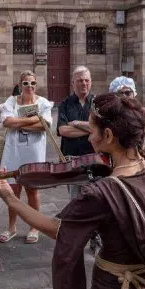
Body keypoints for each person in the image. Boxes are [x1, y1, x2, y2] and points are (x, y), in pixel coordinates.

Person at [0, 93, 145, 289]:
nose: (89, 138)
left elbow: (59, 229)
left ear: (108, 135)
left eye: (92, 130)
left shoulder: (103, 192)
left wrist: (9, 198)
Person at [0, 70, 54, 244]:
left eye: (32, 83)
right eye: (26, 83)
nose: (29, 86)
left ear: (36, 85)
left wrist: (19, 122)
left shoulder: (43, 102)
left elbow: (45, 126)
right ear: (20, 85)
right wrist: (32, 120)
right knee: (13, 190)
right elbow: (7, 122)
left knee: (32, 190)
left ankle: (34, 227)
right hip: (14, 151)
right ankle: (11, 227)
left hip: (33, 152)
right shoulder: (11, 101)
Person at [56, 65, 95, 200]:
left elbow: (101, 129)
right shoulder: (65, 104)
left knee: (95, 197)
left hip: (94, 158)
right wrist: (90, 129)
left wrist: (77, 123)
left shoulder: (98, 103)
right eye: (80, 80)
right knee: (75, 199)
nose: (84, 83)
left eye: (86, 80)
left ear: (91, 82)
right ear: (73, 83)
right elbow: (63, 130)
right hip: (71, 159)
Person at [107, 76, 145, 144]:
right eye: (120, 93)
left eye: (128, 93)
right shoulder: (111, 114)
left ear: (133, 94)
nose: (124, 96)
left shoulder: (144, 112)